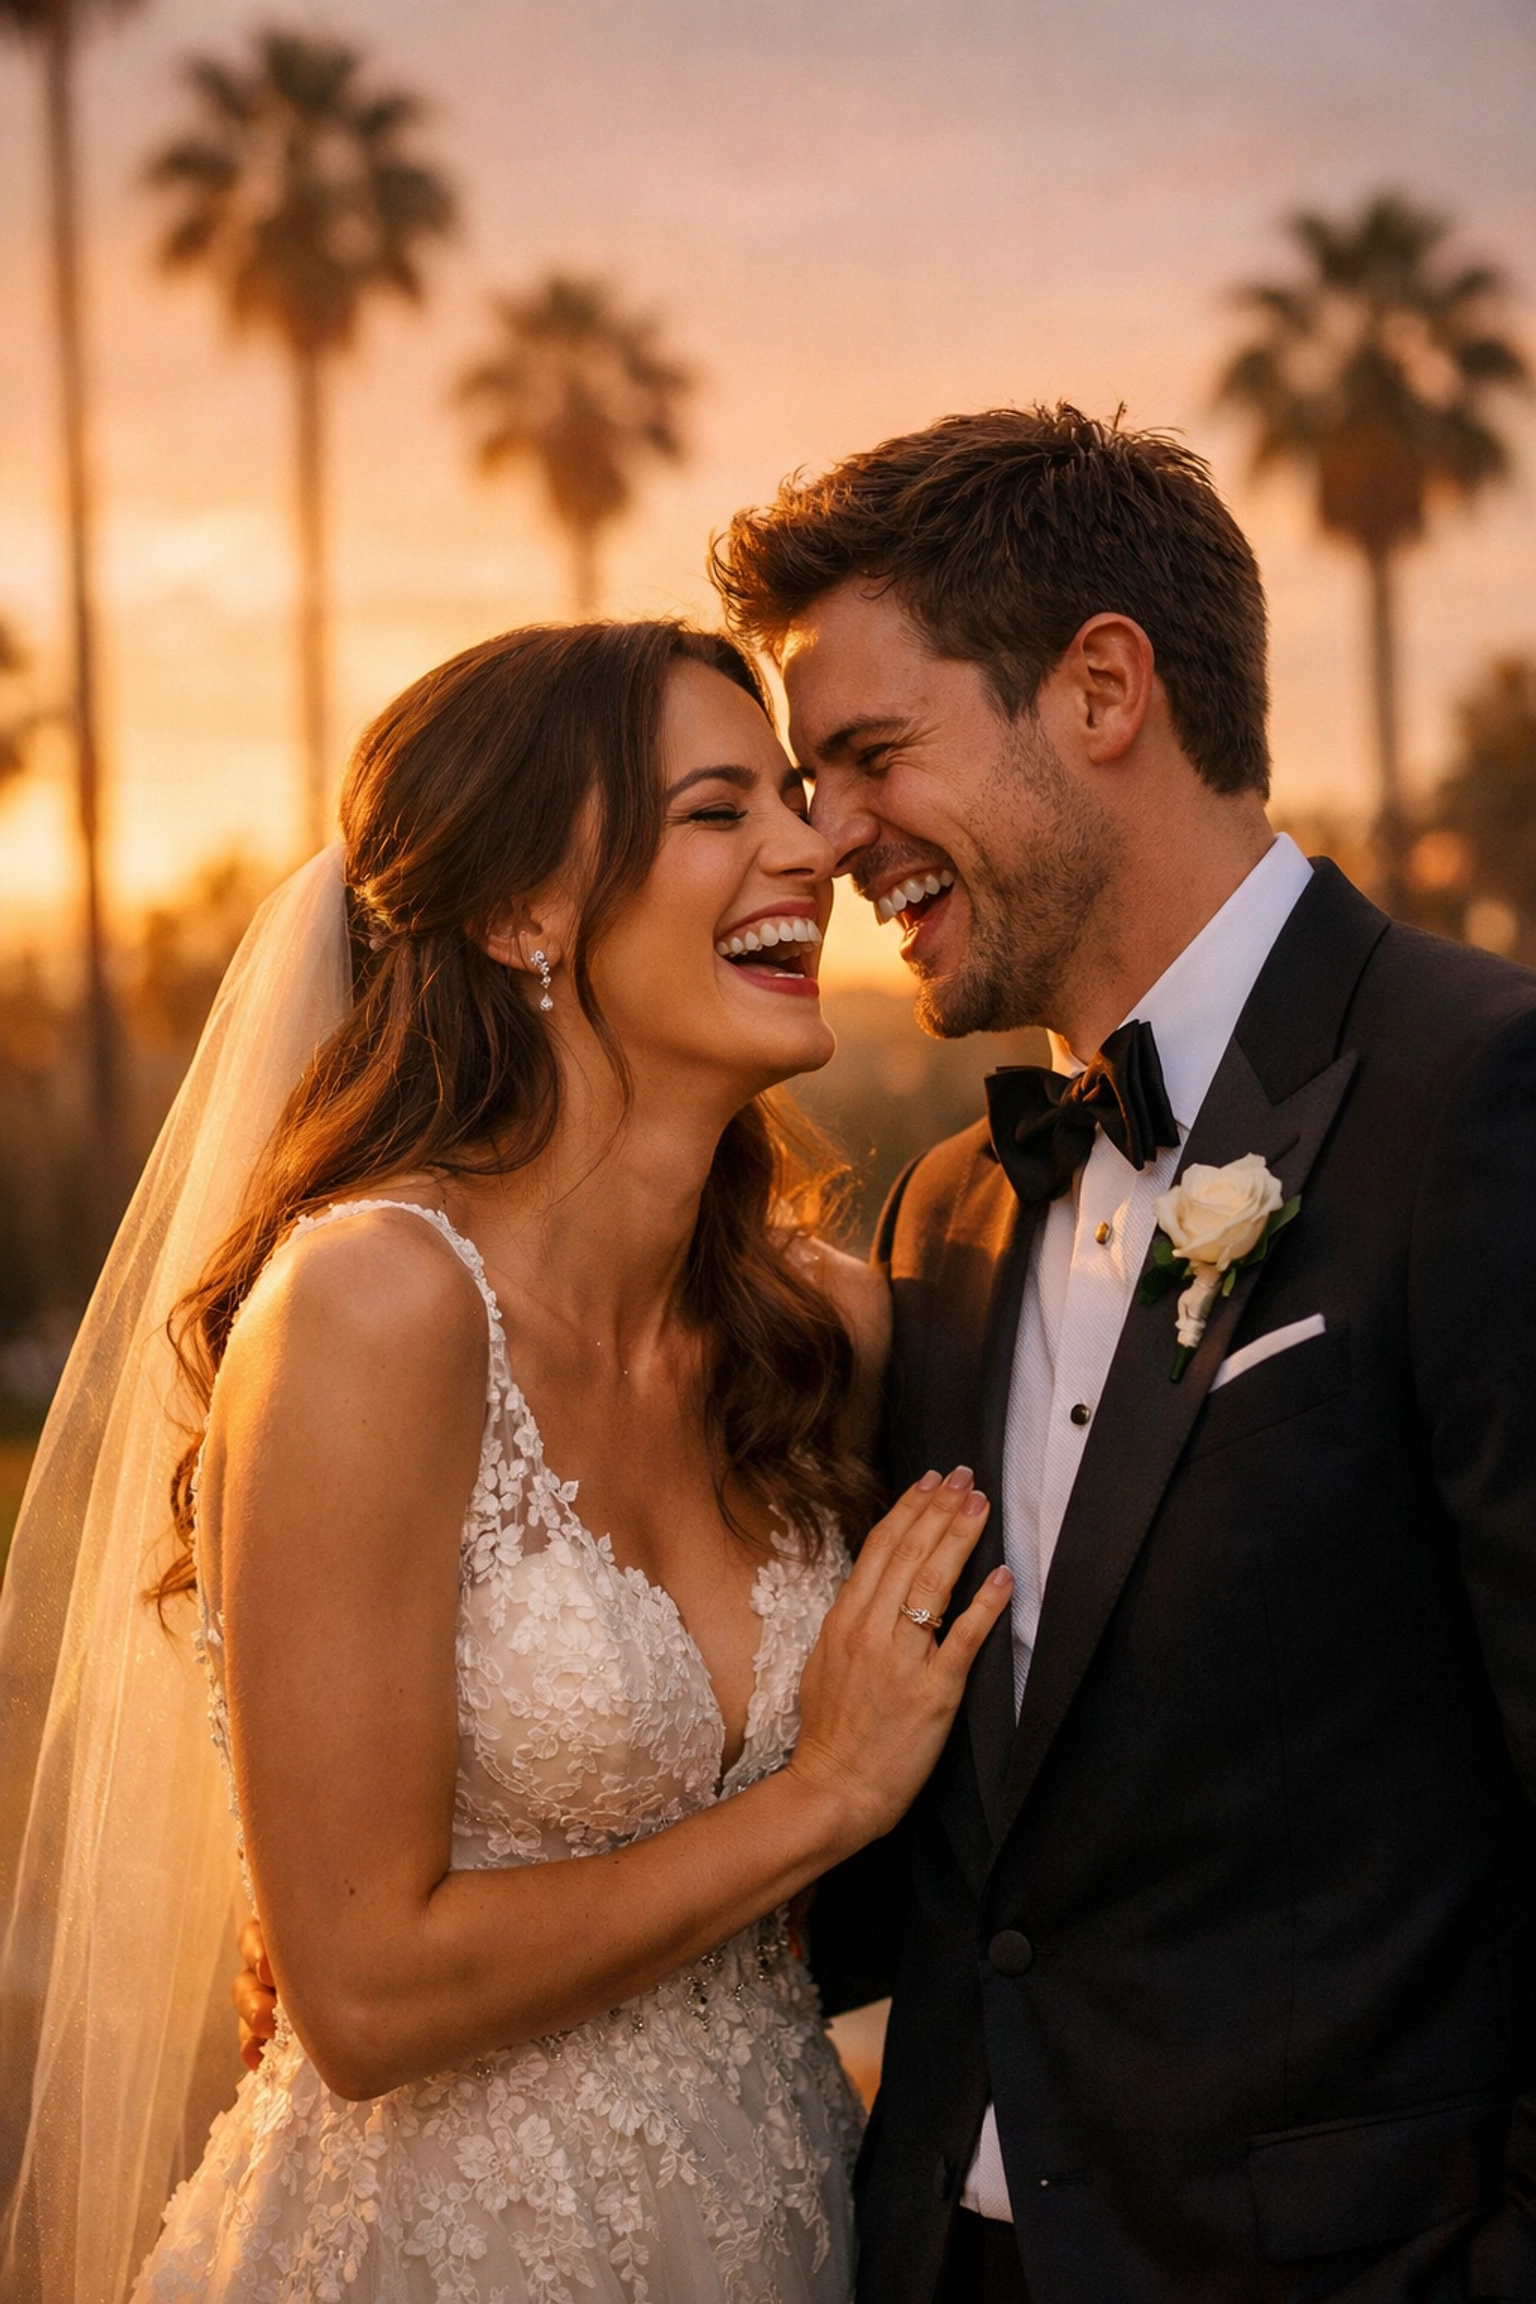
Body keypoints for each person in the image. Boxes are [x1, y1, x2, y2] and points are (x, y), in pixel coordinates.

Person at [0, 619, 1013, 2304]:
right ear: (519, 915)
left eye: (793, 797)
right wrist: (822, 1797)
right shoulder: (375, 1308)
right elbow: (363, 1996)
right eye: (718, 811)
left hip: (771, 2221)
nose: (811, 847)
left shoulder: (819, 1335)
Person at [701, 405, 1536, 2303]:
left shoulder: (1480, 1097)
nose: (827, 840)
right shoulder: (949, 1214)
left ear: (1100, 690)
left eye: (871, 755)